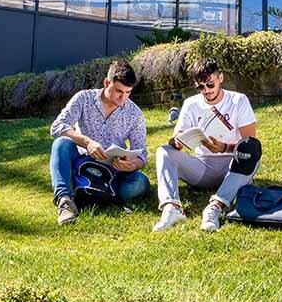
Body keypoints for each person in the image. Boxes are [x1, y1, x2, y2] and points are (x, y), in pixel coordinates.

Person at [153, 58, 262, 233]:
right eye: (200, 87)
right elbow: (176, 141)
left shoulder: (238, 100)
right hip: (202, 166)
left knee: (253, 153)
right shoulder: (191, 104)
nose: (206, 91)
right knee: (163, 152)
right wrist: (178, 141)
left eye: (210, 85)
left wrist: (224, 147)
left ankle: (214, 208)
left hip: (233, 165)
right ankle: (171, 208)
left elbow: (249, 144)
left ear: (221, 78)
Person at [48, 60, 150, 225]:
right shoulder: (84, 98)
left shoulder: (135, 113)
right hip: (82, 161)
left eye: (128, 92)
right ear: (106, 82)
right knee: (61, 144)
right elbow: (57, 126)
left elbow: (142, 153)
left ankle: (92, 190)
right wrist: (87, 142)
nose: (123, 97)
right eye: (118, 91)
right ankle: (65, 201)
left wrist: (132, 165)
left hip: (113, 170)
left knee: (140, 182)